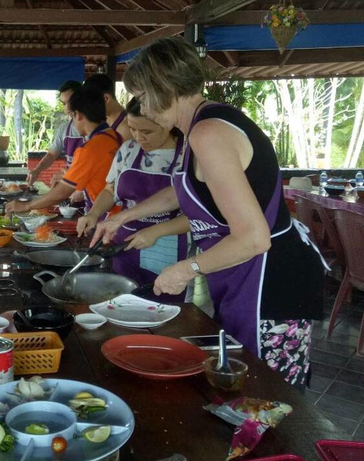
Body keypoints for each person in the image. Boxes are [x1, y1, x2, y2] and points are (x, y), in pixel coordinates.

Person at [92, 37, 324, 388]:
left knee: (269, 394)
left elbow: (254, 237)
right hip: (243, 275)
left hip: (269, 281)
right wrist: (123, 216)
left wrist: (186, 269)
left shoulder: (208, 134)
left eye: (141, 96)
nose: (141, 107)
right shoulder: (200, 126)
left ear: (164, 87)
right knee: (242, 388)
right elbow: (187, 190)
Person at [76, 97, 188, 301]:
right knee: (121, 304)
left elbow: (197, 215)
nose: (138, 137)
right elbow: (111, 190)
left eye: (146, 132)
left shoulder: (188, 155)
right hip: (124, 247)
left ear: (168, 123)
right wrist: (94, 213)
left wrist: (155, 231)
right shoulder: (128, 150)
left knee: (161, 313)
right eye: (133, 129)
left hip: (168, 254)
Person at [8, 86, 120, 215]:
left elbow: (62, 193)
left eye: (72, 115)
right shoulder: (116, 136)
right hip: (117, 214)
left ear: (78, 114)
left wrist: (27, 206)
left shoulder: (89, 149)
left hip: (105, 217)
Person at [27, 80, 85, 187]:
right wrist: (37, 170)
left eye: (70, 102)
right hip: (69, 185)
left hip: (86, 187)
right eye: (64, 103)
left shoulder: (95, 131)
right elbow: (51, 155)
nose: (67, 108)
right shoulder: (64, 129)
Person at [83, 73, 132, 142]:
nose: (91, 107)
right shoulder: (102, 120)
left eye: (93, 103)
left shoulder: (125, 128)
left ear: (106, 98)